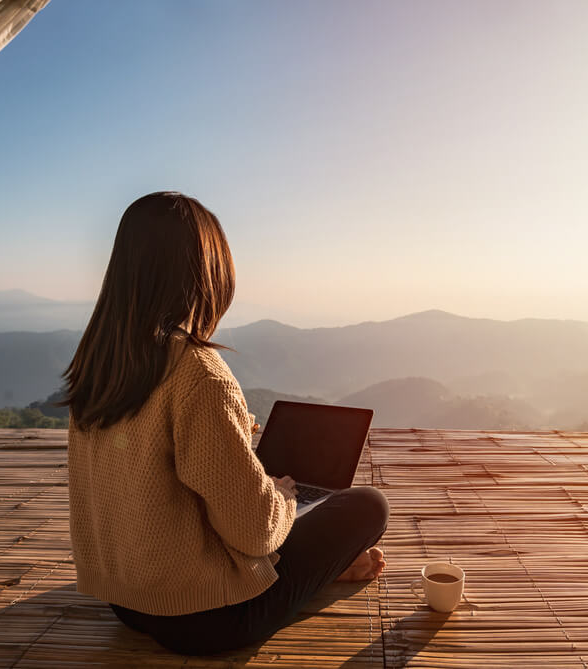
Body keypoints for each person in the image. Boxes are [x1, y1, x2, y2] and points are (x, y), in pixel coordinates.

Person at [59, 191, 389, 655]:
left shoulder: (98, 362)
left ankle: (325, 564)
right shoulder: (197, 372)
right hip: (209, 618)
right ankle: (326, 570)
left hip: (124, 599)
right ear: (207, 275)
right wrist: (281, 497)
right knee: (368, 506)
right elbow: (255, 534)